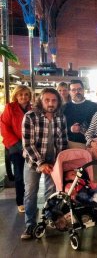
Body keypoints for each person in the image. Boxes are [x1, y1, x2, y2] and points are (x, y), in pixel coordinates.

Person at [20, 88, 68, 239]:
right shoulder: (30, 116)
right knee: (30, 193)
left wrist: (58, 162)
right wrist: (40, 163)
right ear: (40, 100)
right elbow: (27, 144)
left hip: (53, 160)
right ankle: (30, 225)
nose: (50, 103)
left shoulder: (61, 117)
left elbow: (63, 142)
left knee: (51, 193)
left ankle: (49, 219)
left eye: (54, 100)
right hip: (33, 161)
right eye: (47, 100)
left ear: (58, 102)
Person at [1, 85, 32, 213]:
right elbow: (4, 127)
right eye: (20, 95)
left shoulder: (33, 108)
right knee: (19, 176)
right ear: (16, 96)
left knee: (29, 176)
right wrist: (18, 144)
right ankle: (20, 201)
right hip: (15, 148)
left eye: (26, 94)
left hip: (30, 147)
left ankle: (30, 200)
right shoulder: (10, 107)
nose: (23, 97)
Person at [63, 80, 97, 149]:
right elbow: (59, 128)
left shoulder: (94, 106)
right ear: (69, 92)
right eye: (73, 90)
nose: (77, 92)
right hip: (73, 145)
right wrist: (70, 129)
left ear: (83, 90)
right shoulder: (64, 108)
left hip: (93, 145)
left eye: (79, 89)